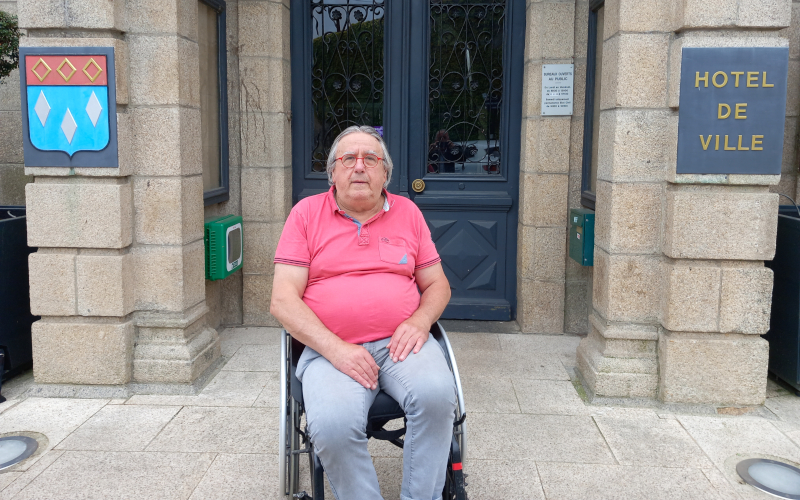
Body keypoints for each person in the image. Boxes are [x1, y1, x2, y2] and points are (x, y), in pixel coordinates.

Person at [270, 125, 456, 500]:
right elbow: (283, 300)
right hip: (329, 349)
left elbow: (438, 285)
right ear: (333, 172)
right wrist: (336, 349)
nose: (359, 167)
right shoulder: (305, 215)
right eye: (348, 159)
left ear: (385, 173)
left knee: (438, 396)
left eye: (370, 159)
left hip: (401, 345)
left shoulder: (407, 212)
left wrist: (420, 321)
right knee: (334, 425)